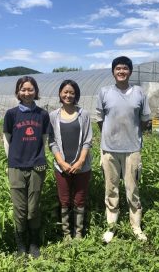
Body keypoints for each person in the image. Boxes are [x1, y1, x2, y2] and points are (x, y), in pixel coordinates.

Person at [96, 56, 151, 243]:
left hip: (132, 149)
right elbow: (100, 120)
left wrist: (131, 135)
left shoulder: (139, 93)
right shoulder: (104, 92)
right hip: (109, 150)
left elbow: (145, 121)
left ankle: (136, 226)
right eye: (118, 68)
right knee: (111, 189)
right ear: (113, 72)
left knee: (132, 189)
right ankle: (111, 227)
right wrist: (111, 137)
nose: (121, 71)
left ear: (130, 71)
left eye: (125, 68)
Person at [3, 76, 50, 258]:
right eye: (23, 89)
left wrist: (38, 157)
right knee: (20, 209)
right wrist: (11, 161)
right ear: (18, 92)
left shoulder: (42, 115)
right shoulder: (11, 114)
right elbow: (7, 139)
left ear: (36, 92)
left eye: (30, 89)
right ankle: (21, 245)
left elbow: (44, 140)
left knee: (33, 208)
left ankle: (34, 243)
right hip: (16, 166)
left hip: (37, 166)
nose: (27, 93)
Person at [49, 79, 93, 240]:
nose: (68, 95)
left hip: (82, 166)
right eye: (65, 92)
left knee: (79, 199)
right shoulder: (53, 116)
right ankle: (67, 234)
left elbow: (88, 140)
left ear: (76, 95)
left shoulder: (83, 114)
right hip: (62, 167)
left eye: (72, 93)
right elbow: (52, 141)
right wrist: (61, 162)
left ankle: (79, 233)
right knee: (65, 199)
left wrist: (80, 161)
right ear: (60, 94)